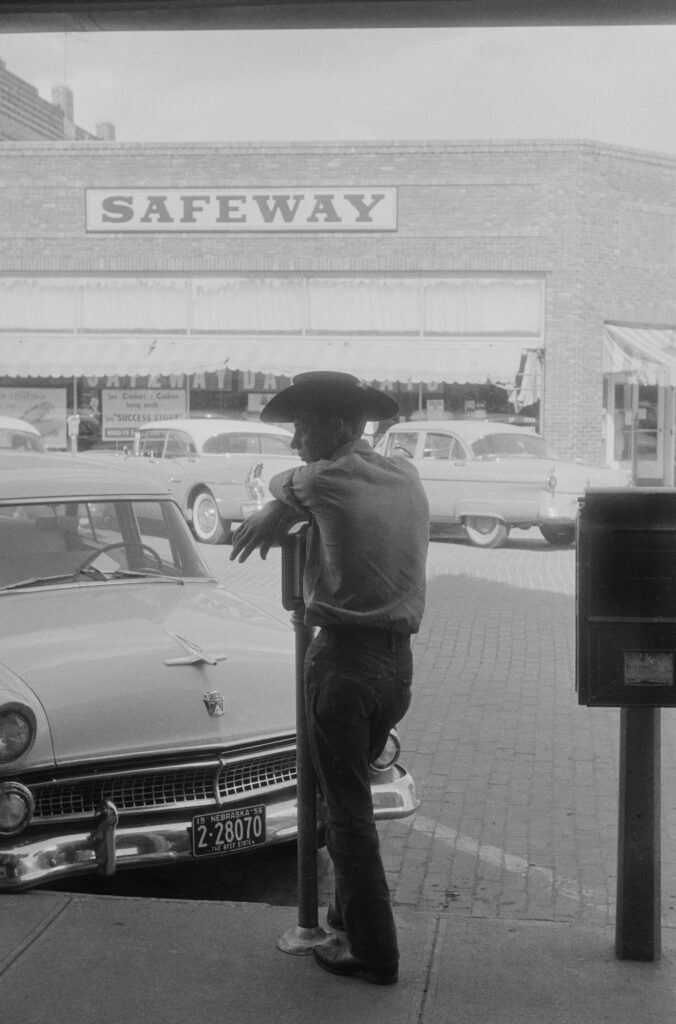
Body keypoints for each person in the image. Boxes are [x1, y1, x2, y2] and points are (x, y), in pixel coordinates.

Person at [230, 371, 429, 986]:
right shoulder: (406, 474)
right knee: (353, 799)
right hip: (396, 669)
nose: (294, 441)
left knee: (347, 816)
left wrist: (276, 505)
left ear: (339, 427)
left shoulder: (324, 479)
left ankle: (373, 951)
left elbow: (285, 481)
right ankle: (346, 915)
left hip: (342, 663)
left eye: (302, 428)